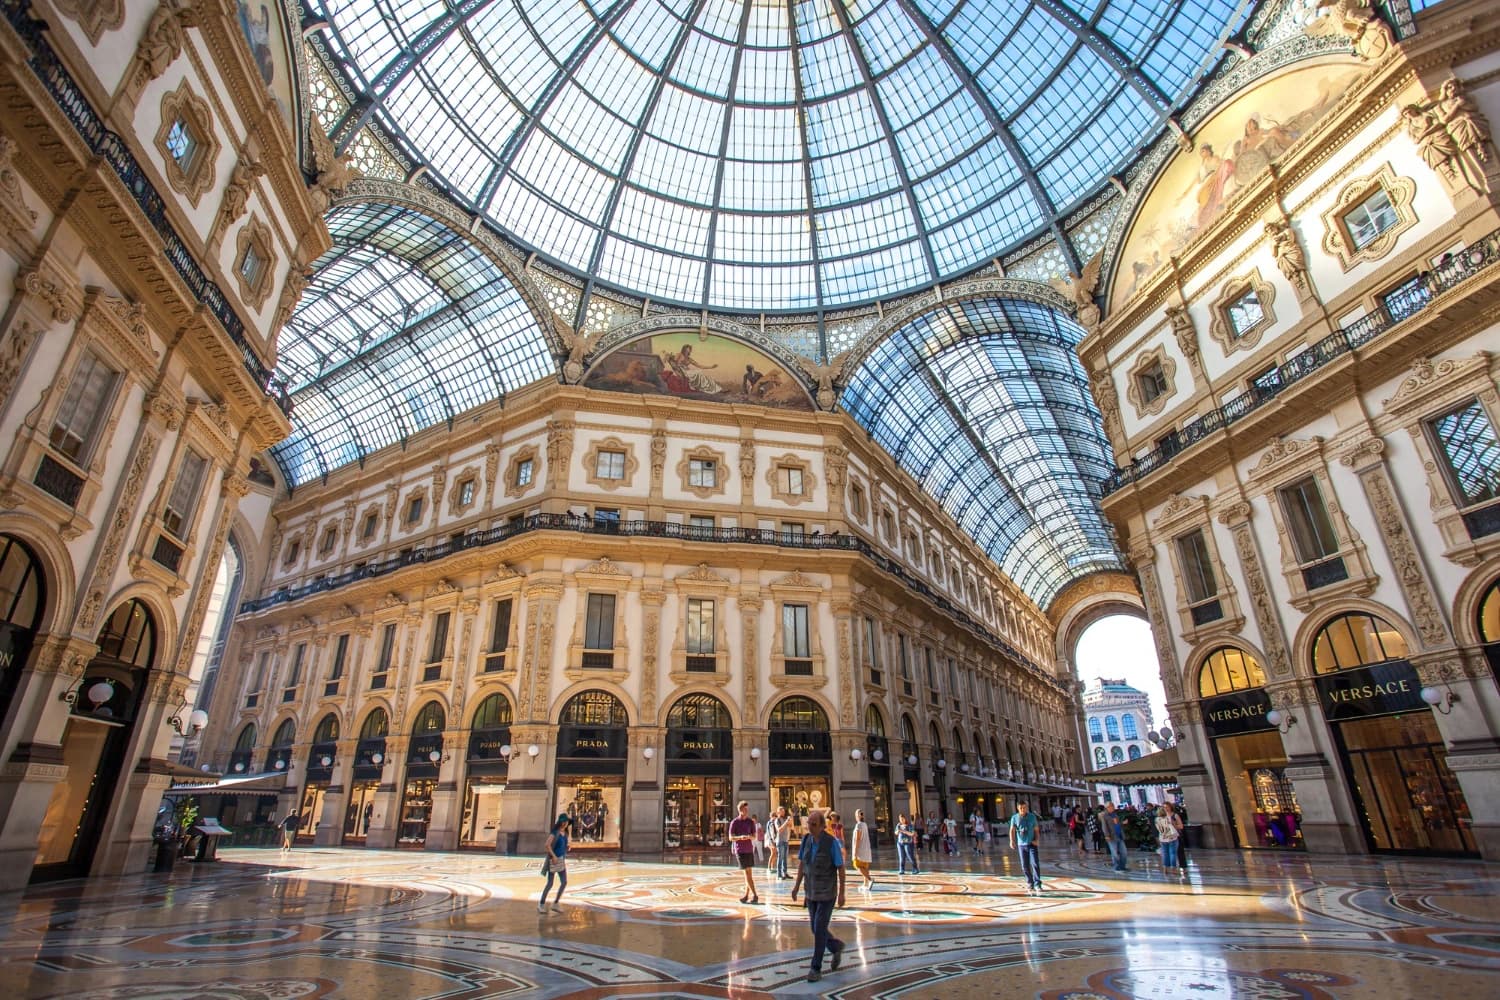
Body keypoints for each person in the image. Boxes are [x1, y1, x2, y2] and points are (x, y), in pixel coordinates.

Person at [790, 809, 847, 983]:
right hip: (811, 892)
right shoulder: (806, 840)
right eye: (809, 824)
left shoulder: (832, 843)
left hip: (827, 893)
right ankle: (836, 946)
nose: (810, 827)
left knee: (819, 927)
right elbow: (802, 864)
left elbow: (841, 868)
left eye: (814, 824)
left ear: (822, 826)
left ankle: (816, 967)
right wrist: (796, 886)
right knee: (816, 928)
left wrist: (842, 892)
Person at [728, 800, 760, 904]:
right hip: (740, 850)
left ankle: (749, 895)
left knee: (748, 874)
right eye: (745, 809)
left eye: (747, 809)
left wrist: (750, 837)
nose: (747, 811)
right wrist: (740, 837)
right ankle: (753, 895)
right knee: (747, 874)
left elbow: (754, 836)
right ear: (740, 810)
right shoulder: (735, 822)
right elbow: (730, 837)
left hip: (749, 849)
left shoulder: (750, 822)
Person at [1008, 801, 1043, 893]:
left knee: (1035, 863)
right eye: (1021, 808)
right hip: (1021, 844)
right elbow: (1012, 830)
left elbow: (1036, 829)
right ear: (1018, 808)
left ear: (1027, 807)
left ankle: (1037, 883)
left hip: (1032, 843)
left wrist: (1037, 840)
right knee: (1024, 865)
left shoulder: (1032, 817)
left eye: (1024, 807)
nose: (1023, 810)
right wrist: (1012, 841)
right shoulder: (1014, 818)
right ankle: (1029, 882)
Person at [539, 815, 570, 913]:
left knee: (564, 882)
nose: (565, 823)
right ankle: (541, 904)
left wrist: (567, 848)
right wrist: (554, 856)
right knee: (550, 883)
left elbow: (563, 846)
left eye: (566, 822)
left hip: (561, 860)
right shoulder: (555, 833)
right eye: (564, 821)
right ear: (560, 822)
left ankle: (555, 903)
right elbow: (547, 845)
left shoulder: (565, 834)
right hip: (553, 860)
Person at [1157, 802, 1184, 878]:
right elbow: (1180, 826)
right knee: (1172, 853)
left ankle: (1166, 868)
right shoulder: (1169, 817)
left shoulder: (1157, 819)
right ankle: (1173, 868)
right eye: (1164, 807)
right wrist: (1173, 824)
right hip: (1172, 837)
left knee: (1165, 853)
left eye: (1167, 807)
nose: (1166, 809)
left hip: (1163, 838)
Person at [850, 808, 874, 891]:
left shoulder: (859, 825)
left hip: (860, 850)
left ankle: (870, 880)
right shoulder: (865, 824)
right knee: (865, 867)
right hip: (866, 849)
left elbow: (857, 839)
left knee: (856, 865)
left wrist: (855, 852)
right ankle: (865, 884)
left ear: (857, 816)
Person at [1102, 802, 1129, 872]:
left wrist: (1123, 823)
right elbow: (1104, 827)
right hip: (1112, 837)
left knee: (1124, 852)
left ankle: (1122, 866)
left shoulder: (1115, 815)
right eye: (1111, 806)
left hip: (1119, 835)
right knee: (1115, 853)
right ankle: (1116, 867)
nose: (1113, 807)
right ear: (1107, 807)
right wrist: (1107, 835)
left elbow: (1118, 824)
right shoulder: (1105, 816)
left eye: (1113, 806)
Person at [771, 806, 791, 879]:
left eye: (784, 811)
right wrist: (786, 822)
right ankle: (779, 874)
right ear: (778, 812)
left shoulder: (785, 819)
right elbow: (779, 830)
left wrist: (790, 821)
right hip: (780, 841)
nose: (784, 812)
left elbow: (790, 827)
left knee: (785, 858)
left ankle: (785, 873)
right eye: (782, 811)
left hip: (786, 840)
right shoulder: (777, 820)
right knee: (780, 857)